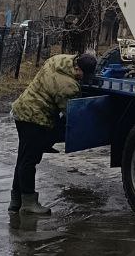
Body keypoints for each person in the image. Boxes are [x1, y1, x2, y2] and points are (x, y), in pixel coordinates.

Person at [9, 51, 97, 215]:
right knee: (29, 161)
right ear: (78, 68)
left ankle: (16, 201)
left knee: (23, 158)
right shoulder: (68, 86)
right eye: (83, 75)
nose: (82, 79)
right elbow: (72, 113)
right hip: (34, 118)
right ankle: (28, 203)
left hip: (22, 110)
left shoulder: (59, 60)